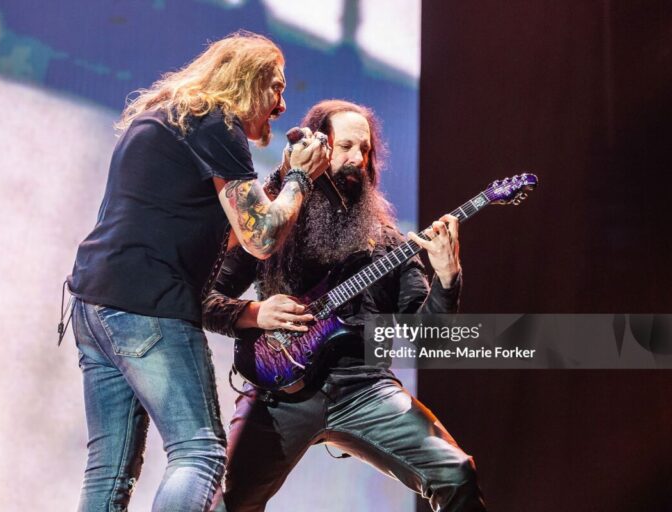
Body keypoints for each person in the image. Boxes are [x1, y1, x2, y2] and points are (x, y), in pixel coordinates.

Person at [66, 31, 329, 512]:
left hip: (95, 306)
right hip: (147, 307)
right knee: (201, 452)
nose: (282, 104)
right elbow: (261, 237)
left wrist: (277, 182)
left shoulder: (168, 119)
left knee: (110, 469)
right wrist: (299, 179)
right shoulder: (215, 121)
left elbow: (220, 228)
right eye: (276, 87)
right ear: (248, 81)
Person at [203, 99, 487, 511]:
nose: (358, 159)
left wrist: (447, 278)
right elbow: (206, 299)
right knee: (224, 502)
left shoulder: (389, 242)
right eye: (346, 147)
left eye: (366, 150)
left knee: (457, 473)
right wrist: (254, 314)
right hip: (279, 392)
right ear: (319, 151)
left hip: (364, 389)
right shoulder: (274, 223)